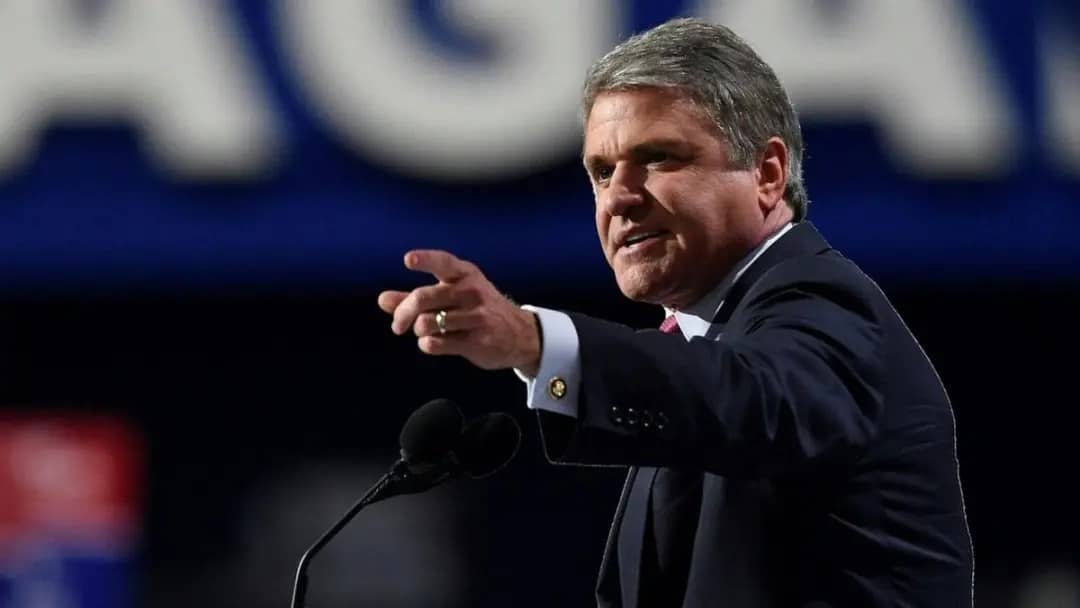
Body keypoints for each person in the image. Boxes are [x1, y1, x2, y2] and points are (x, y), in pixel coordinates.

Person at [377, 17, 973, 607]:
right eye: (601, 172)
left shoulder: (824, 303)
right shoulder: (698, 348)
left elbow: (751, 396)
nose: (619, 197)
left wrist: (536, 342)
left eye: (659, 158)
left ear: (767, 173)